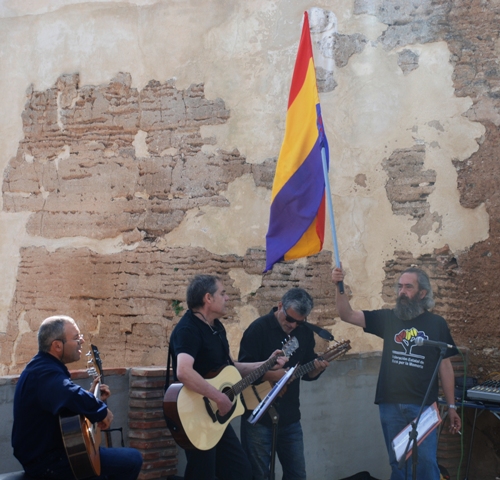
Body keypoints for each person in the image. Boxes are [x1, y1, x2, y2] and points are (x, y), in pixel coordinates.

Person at [332, 266, 461, 480]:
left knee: (426, 464)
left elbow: (445, 366)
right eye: (399, 287)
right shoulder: (388, 318)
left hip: (422, 408)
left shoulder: (437, 324)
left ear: (422, 293)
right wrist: (339, 286)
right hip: (390, 405)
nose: (402, 292)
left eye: (408, 287)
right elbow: (347, 314)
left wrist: (452, 406)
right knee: (399, 465)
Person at [168, 274, 287, 480]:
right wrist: (219, 397)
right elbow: (184, 371)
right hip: (195, 414)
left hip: (215, 417)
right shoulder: (188, 329)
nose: (227, 298)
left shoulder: (216, 327)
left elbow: (231, 368)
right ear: (208, 298)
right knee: (202, 474)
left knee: (240, 472)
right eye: (222, 293)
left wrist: (267, 363)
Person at [12, 315, 143, 480]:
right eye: (76, 338)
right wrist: (100, 411)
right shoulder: (44, 373)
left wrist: (91, 397)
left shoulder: (44, 368)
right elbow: (68, 393)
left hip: (55, 456)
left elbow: (63, 401)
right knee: (133, 459)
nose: (81, 340)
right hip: (49, 464)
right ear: (57, 345)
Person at [238, 288, 329, 480]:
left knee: (297, 474)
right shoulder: (258, 329)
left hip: (289, 417)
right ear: (280, 306)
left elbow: (306, 372)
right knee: (259, 474)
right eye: (289, 319)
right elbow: (242, 373)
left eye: (299, 322)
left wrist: (317, 368)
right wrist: (274, 375)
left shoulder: (304, 333)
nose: (293, 325)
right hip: (258, 415)